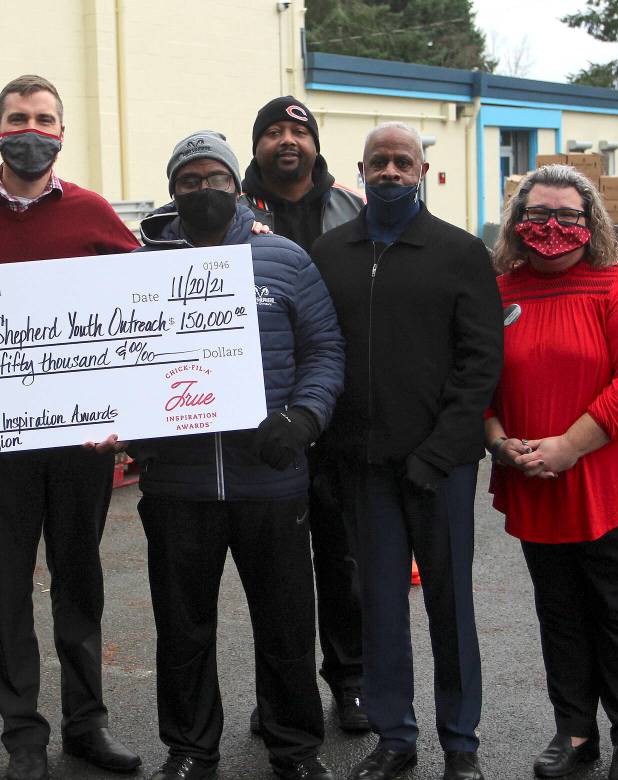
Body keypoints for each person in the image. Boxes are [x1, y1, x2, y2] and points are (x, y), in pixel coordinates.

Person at [0, 75, 141, 780]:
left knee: (79, 585)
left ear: (61, 131)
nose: (31, 129)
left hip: (80, 446)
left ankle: (87, 725)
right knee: (8, 593)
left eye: (44, 119)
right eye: (18, 118)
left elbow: (143, 311)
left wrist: (123, 413)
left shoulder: (92, 213)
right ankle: (23, 736)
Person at [129, 130, 344, 780]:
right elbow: (111, 364)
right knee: (183, 630)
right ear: (172, 191)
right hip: (179, 485)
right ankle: (191, 748)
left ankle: (295, 748)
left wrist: (304, 418)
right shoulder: (138, 272)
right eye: (188, 181)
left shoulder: (284, 260)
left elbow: (324, 351)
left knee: (284, 627)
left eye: (213, 178)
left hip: (270, 480)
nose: (202, 190)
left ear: (237, 185)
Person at [310, 122, 503, 780]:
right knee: (381, 608)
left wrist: (438, 452)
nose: (390, 172)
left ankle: (461, 743)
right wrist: (333, 451)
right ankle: (395, 737)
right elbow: (318, 353)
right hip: (363, 470)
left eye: (403, 162)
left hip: (440, 470)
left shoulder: (460, 252)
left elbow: (481, 364)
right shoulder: (331, 253)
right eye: (379, 162)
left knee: (450, 606)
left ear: (422, 172)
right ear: (358, 172)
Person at [487, 164, 618, 780]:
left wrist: (568, 447)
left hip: (606, 480)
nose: (551, 227)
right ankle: (574, 731)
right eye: (538, 214)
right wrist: (499, 443)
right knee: (559, 612)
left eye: (568, 215)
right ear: (517, 224)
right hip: (532, 478)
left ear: (591, 222)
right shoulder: (498, 291)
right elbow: (477, 381)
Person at [242, 95, 368, 733]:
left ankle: (351, 681)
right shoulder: (231, 212)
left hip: (340, 413)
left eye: (298, 130)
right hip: (262, 419)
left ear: (316, 144)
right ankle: (279, 699)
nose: (286, 140)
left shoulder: (354, 205)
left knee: (342, 560)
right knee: (276, 576)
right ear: (256, 146)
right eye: (272, 132)